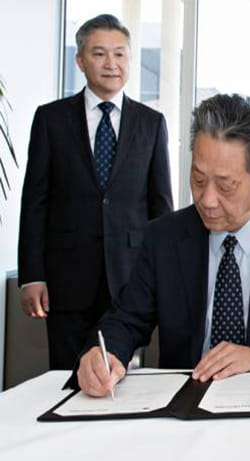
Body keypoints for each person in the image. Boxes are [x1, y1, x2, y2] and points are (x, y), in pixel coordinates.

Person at [76, 93, 250, 397]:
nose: (207, 200)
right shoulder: (164, 237)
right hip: (184, 400)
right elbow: (126, 320)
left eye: (225, 186)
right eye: (199, 179)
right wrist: (104, 354)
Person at [18, 14, 173, 370]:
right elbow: (35, 203)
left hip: (130, 280)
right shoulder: (51, 119)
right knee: (67, 378)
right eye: (99, 53)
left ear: (130, 60)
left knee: (124, 379)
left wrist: (165, 276)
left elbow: (161, 207)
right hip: (67, 282)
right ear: (80, 60)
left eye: (120, 54)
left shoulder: (151, 123)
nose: (111, 63)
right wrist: (32, 275)